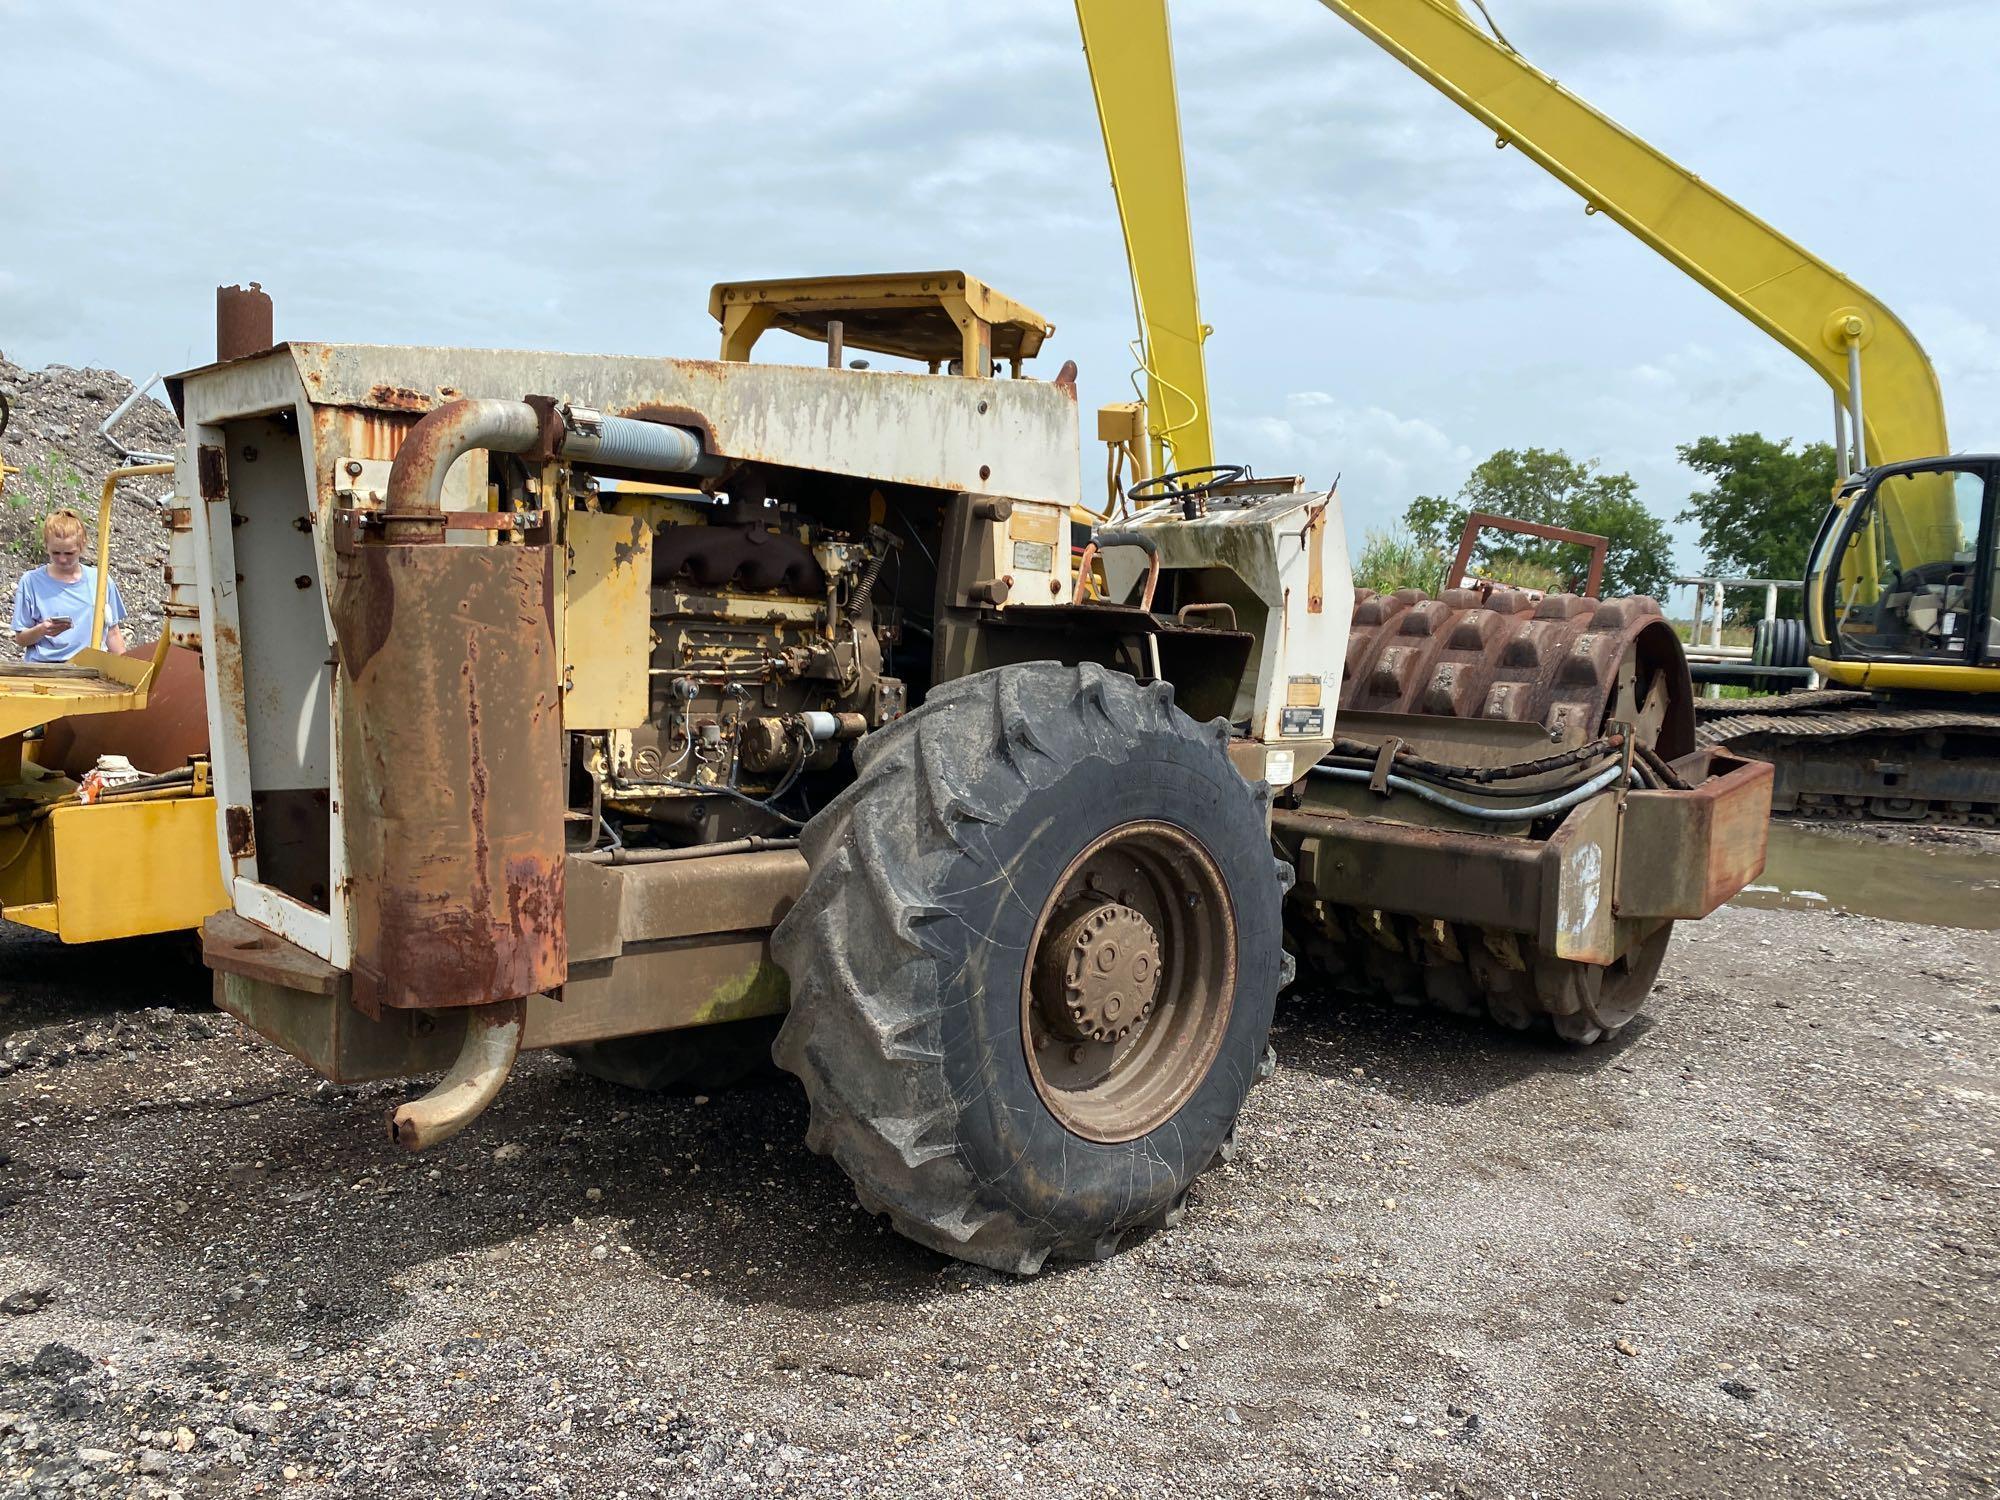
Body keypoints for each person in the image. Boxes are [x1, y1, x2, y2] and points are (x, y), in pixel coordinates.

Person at [10, 508, 128, 663]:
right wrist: (42, 630)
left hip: (90, 669)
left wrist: (127, 669)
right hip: (44, 668)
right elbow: (21, 639)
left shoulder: (101, 580)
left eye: (69, 553)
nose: (62, 559)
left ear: (82, 545)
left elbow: (112, 633)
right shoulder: (30, 582)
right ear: (46, 546)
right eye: (56, 553)